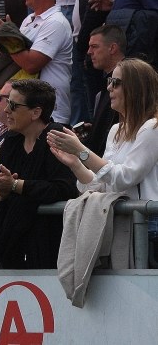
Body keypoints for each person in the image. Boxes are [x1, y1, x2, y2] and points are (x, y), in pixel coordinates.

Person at [48, 58, 158, 260]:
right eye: (109, 81)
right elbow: (102, 186)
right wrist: (75, 163)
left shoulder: (152, 128)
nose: (109, 88)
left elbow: (124, 178)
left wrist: (82, 151)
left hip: (149, 226)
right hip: (120, 222)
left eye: (116, 83)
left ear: (136, 88)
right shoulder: (116, 129)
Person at [0, 79, 78, 269]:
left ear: (36, 112)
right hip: (3, 247)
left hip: (46, 251)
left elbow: (65, 188)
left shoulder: (57, 138)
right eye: (7, 103)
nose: (6, 110)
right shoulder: (11, 139)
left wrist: (15, 186)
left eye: (13, 105)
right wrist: (1, 191)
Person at [0, 0, 73, 123]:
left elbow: (31, 64)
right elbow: (16, 60)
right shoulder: (28, 20)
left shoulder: (56, 23)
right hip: (28, 109)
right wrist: (2, 39)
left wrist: (9, 39)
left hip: (51, 113)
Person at [82, 25, 126, 156]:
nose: (89, 52)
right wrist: (94, 130)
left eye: (94, 46)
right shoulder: (105, 82)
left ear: (112, 48)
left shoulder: (131, 82)